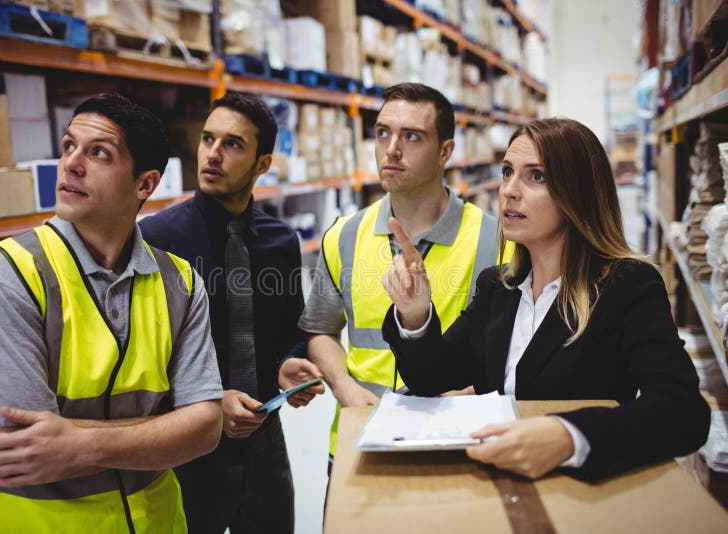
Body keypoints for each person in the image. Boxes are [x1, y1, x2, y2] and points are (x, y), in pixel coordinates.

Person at [0, 93, 224, 532]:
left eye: (99, 153)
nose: (71, 164)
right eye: (68, 146)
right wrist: (162, 428)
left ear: (145, 185)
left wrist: (79, 442)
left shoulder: (181, 281)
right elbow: (22, 453)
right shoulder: (6, 274)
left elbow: (206, 427)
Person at [382, 117, 711, 481]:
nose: (509, 190)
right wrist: (414, 315)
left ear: (579, 194)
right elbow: (433, 379)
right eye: (507, 172)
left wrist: (570, 435)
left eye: (535, 176)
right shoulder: (498, 287)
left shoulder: (627, 286)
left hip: (577, 493)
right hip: (493, 481)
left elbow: (683, 412)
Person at [140, 92, 324, 534]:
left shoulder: (280, 242)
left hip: (264, 437)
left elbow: (290, 329)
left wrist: (288, 366)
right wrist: (209, 399)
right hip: (187, 445)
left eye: (234, 144)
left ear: (262, 164)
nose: (213, 154)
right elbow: (144, 353)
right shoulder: (156, 239)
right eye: (208, 139)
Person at [299, 82, 503, 467]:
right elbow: (320, 330)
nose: (391, 149)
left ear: (445, 151)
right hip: (357, 442)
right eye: (382, 133)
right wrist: (345, 388)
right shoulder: (343, 236)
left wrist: (473, 394)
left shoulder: (494, 240)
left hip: (457, 444)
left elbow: (511, 352)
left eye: (411, 136)